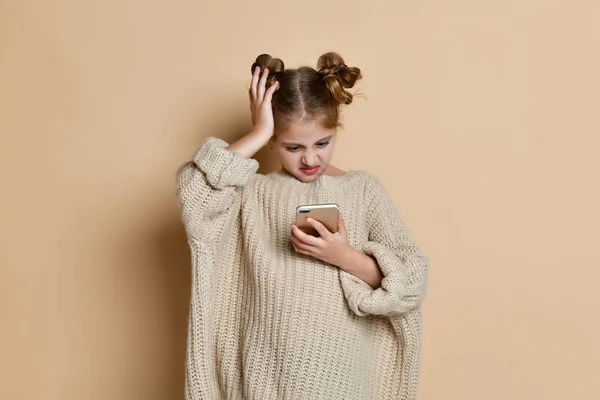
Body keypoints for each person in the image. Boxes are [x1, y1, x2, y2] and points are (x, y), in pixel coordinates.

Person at [176, 52, 429, 400]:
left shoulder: (363, 190)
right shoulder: (250, 193)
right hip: (265, 377)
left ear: (335, 130)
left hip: (344, 379)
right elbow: (195, 194)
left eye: (322, 144)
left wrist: (344, 256)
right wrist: (259, 129)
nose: (310, 159)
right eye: (293, 147)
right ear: (273, 142)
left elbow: (412, 280)